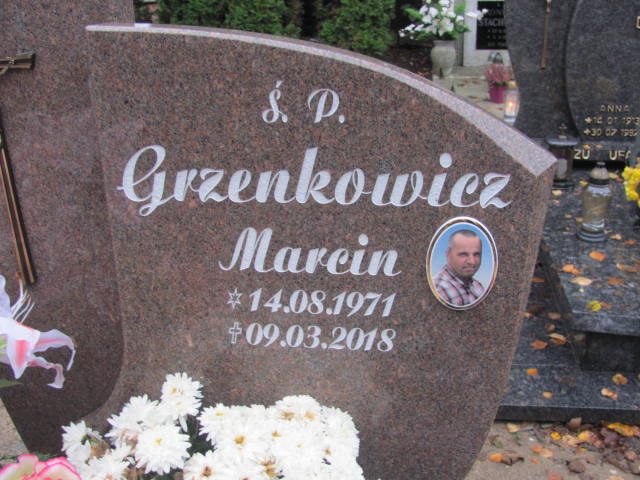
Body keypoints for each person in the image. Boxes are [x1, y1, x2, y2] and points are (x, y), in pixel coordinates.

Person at [433, 229, 484, 307]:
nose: (472, 261)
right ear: (448, 255)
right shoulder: (439, 290)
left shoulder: (477, 286)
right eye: (463, 254)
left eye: (476, 254)